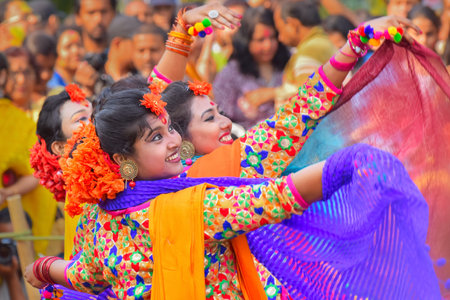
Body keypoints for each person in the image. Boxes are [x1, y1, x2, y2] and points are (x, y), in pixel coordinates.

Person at [0, 51, 56, 256]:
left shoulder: (19, 122)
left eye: (26, 72)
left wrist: (6, 193)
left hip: (13, 224)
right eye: (16, 73)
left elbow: (36, 172)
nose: (21, 80)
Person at [241, 0, 336, 112]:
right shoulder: (320, 42)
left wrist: (272, 93)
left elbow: (308, 93)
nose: (280, 38)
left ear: (293, 24)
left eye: (280, 30)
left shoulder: (310, 50)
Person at [213, 7, 290, 129]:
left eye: (272, 37)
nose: (268, 46)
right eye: (260, 40)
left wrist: (272, 94)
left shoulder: (289, 63)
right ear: (246, 41)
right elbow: (221, 115)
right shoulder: (232, 72)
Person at [104, 15, 141, 81]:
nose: (140, 51)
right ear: (117, 43)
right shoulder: (95, 76)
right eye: (136, 44)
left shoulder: (142, 77)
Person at [23, 31, 57, 104]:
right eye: (38, 69)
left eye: (50, 68)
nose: (45, 75)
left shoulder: (58, 96)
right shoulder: (15, 103)